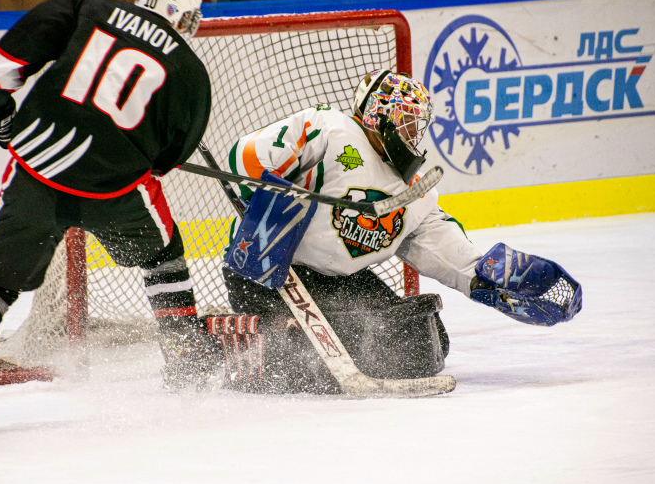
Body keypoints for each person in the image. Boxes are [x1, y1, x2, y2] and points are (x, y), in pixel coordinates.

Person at [0, 0, 220, 418]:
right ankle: (186, 358)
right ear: (183, 12)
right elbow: (167, 160)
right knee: (163, 257)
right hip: (115, 192)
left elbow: (5, 65)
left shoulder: (86, 7)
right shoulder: (190, 71)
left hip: (36, 175)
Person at [218, 70, 583, 393]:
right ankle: (225, 342)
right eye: (407, 120)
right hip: (266, 271)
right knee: (320, 357)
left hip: (337, 281)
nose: (413, 133)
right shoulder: (329, 130)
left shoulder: (415, 192)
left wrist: (484, 277)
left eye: (417, 125)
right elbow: (244, 156)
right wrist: (280, 196)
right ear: (379, 113)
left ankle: (275, 337)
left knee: (419, 343)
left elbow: (441, 249)